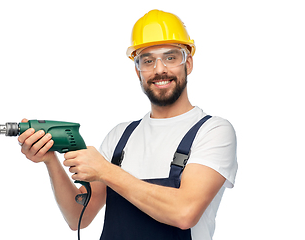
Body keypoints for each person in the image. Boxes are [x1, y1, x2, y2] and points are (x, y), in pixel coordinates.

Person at [18, 9, 237, 240]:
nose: (159, 69)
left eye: (170, 57)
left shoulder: (213, 131)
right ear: (137, 70)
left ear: (188, 63)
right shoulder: (120, 136)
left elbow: (184, 212)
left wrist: (105, 171)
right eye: (148, 61)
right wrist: (50, 159)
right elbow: (77, 217)